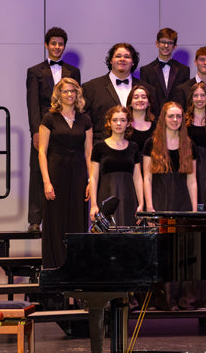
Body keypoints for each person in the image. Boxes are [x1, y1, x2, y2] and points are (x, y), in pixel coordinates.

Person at [26, 27, 81, 233]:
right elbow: (32, 104)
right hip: (44, 126)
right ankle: (35, 219)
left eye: (60, 44)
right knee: (38, 171)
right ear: (46, 45)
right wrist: (35, 131)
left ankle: (63, 216)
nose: (57, 47)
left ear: (64, 46)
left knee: (63, 170)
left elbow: (76, 100)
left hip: (66, 128)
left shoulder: (73, 72)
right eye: (53, 43)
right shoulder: (34, 71)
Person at [38, 78, 92, 269]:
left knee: (77, 218)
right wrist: (46, 182)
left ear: (77, 94)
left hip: (78, 174)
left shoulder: (85, 119)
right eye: (65, 91)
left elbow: (89, 153)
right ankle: (55, 266)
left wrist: (91, 180)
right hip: (56, 172)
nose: (69, 94)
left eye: (73, 91)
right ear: (58, 95)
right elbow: (42, 152)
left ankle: (76, 266)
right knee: (56, 219)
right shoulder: (49, 118)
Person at [83, 43, 154, 141]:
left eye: (127, 57)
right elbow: (85, 124)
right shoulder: (91, 88)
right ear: (111, 61)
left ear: (133, 62)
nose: (122, 59)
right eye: (118, 56)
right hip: (102, 146)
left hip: (138, 147)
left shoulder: (148, 89)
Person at [89, 105, 143, 226]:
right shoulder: (99, 147)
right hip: (106, 197)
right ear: (109, 122)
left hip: (128, 199)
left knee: (128, 232)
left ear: (128, 123)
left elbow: (138, 178)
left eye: (123, 120)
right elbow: (94, 177)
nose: (118, 123)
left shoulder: (134, 147)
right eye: (115, 120)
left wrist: (141, 203)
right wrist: (93, 205)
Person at [142, 102, 197, 213]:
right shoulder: (151, 143)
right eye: (171, 116)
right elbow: (147, 179)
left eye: (178, 116)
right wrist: (149, 206)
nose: (175, 120)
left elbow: (192, 180)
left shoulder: (189, 144)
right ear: (164, 118)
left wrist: (194, 209)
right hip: (159, 199)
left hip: (182, 201)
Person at [138, 28, 190, 116]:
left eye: (169, 43)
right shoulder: (146, 70)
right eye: (163, 42)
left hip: (176, 117)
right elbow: (145, 98)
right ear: (157, 44)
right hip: (154, 118)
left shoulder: (184, 70)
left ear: (175, 46)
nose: (166, 46)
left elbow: (185, 97)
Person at [184, 82, 206, 206]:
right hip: (187, 165)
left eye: (202, 95)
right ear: (191, 98)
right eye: (195, 95)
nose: (199, 99)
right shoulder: (183, 122)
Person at [126, 85, 156, 155]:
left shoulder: (156, 127)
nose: (140, 100)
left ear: (149, 103)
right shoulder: (125, 126)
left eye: (144, 97)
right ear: (130, 103)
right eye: (136, 97)